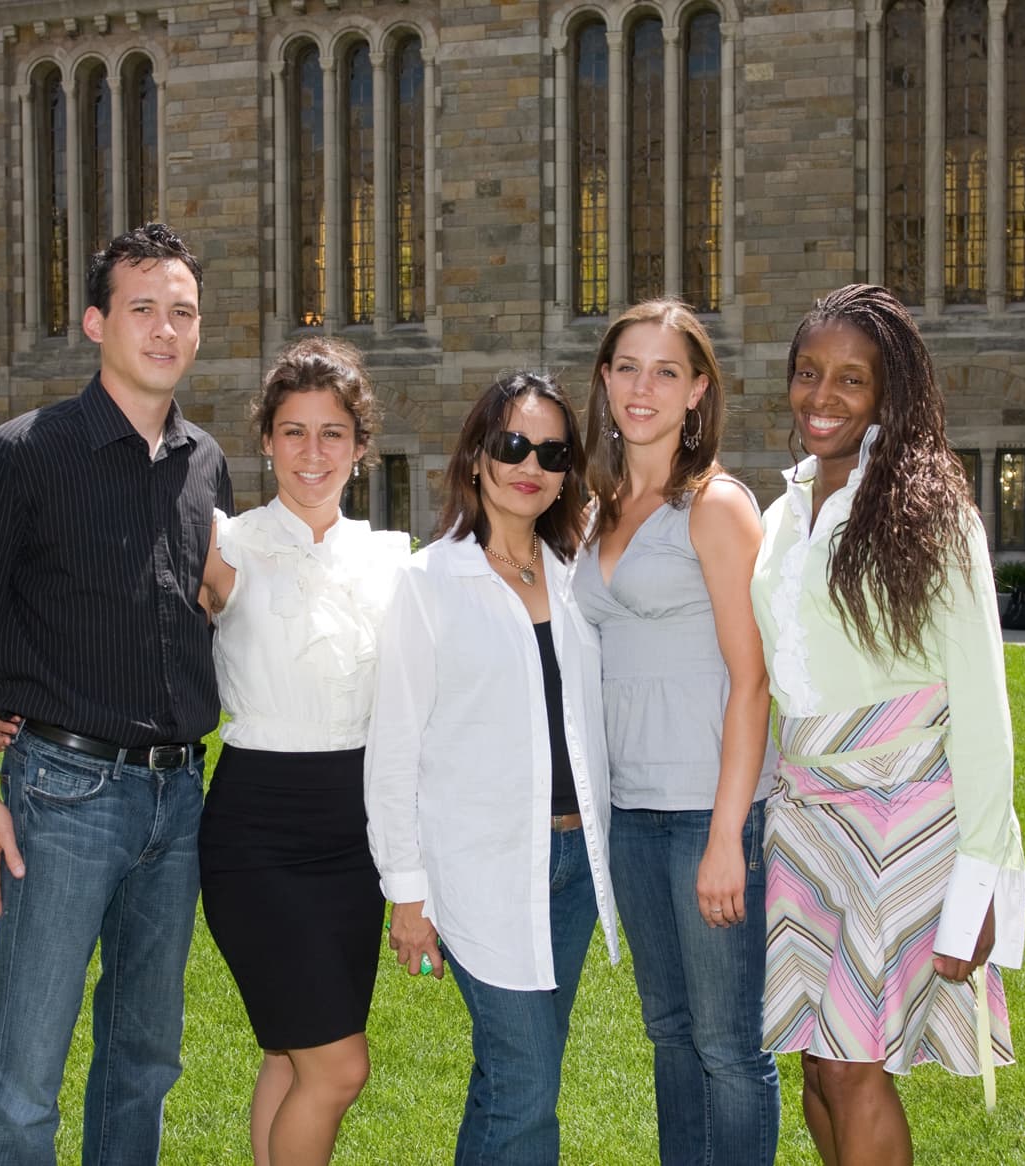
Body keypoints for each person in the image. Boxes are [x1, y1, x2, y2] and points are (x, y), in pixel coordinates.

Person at [0, 223, 231, 1165]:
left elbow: (197, 604)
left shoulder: (204, 462)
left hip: (178, 800)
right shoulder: (21, 456)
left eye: (182, 312)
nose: (165, 329)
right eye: (143, 309)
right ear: (97, 322)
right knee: (24, 1068)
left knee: (144, 1059)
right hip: (64, 796)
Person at [751, 284, 1025, 1166]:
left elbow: (984, 708)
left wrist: (981, 887)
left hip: (901, 819)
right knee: (817, 1071)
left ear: (888, 395)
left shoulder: (934, 517)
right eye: (807, 373)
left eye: (850, 380)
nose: (821, 397)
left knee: (853, 1068)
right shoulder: (780, 515)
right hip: (803, 822)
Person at [365, 371, 620, 1166]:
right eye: (512, 444)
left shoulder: (581, 578)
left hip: (575, 870)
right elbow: (393, 748)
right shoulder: (429, 582)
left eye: (551, 451)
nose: (530, 464)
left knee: (512, 1081)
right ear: (477, 456)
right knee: (525, 1086)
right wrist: (406, 894)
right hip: (480, 871)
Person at [572, 298, 781, 1164]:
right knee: (668, 1032)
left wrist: (729, 835)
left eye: (666, 371)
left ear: (698, 390)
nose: (642, 387)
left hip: (707, 811)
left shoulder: (717, 506)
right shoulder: (594, 507)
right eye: (626, 367)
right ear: (605, 381)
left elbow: (752, 679)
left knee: (730, 1048)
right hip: (629, 812)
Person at [195, 337, 409, 1166]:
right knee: (338, 1067)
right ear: (267, 440)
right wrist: (22, 704)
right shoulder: (227, 543)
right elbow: (121, 616)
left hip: (355, 840)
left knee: (291, 1053)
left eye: (331, 433)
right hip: (256, 831)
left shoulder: (396, 561)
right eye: (293, 431)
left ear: (360, 447)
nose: (311, 453)